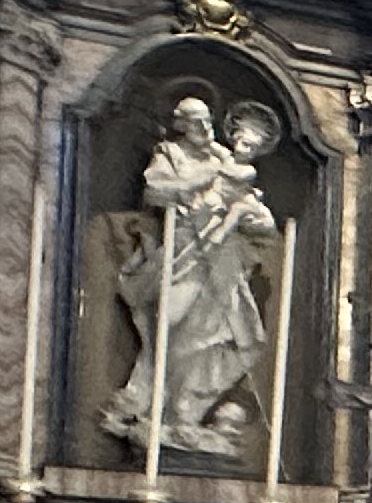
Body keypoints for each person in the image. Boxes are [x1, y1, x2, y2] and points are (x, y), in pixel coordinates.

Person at [107, 98, 277, 459]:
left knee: (218, 338)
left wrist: (250, 215)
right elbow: (155, 191)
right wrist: (201, 182)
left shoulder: (224, 159)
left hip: (223, 262)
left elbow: (259, 216)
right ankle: (144, 403)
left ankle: (184, 411)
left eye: (208, 123)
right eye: (196, 123)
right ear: (181, 125)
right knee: (168, 327)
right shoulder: (170, 154)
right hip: (183, 253)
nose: (205, 130)